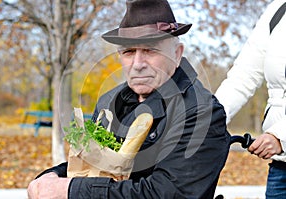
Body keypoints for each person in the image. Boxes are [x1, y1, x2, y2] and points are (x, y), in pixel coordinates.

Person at [27, 0, 230, 198]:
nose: (138, 63)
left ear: (177, 54)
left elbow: (168, 192)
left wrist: (71, 190)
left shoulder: (202, 112)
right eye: (129, 52)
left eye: (150, 50)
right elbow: (91, 162)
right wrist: (52, 177)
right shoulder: (110, 102)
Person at [215, 0, 286, 198]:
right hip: (282, 169)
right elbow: (243, 76)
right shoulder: (278, 10)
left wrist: (281, 136)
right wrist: (207, 120)